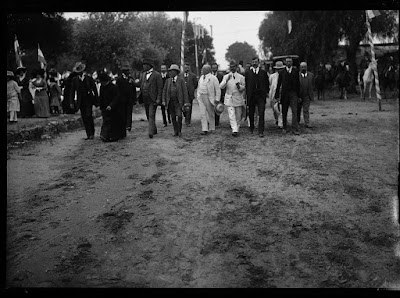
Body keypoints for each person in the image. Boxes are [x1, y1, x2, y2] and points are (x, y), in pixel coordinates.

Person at [70, 62, 99, 140]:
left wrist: (96, 99)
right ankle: (88, 134)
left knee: (89, 115)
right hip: (80, 101)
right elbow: (72, 91)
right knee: (84, 117)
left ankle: (91, 133)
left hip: (88, 99)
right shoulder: (75, 80)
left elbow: (94, 89)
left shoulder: (88, 78)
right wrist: (72, 102)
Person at [134, 59, 163, 139]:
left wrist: (158, 99)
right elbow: (139, 84)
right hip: (145, 98)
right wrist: (133, 83)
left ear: (149, 66)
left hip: (153, 98)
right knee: (148, 115)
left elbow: (160, 88)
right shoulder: (143, 75)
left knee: (151, 114)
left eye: (145, 65)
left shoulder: (157, 75)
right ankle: (154, 129)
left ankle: (150, 132)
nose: (143, 66)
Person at [162, 64, 189, 137]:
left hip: (178, 102)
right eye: (169, 71)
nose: (170, 73)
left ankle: (179, 130)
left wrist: (186, 102)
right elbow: (164, 91)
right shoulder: (168, 81)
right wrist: (164, 100)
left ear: (176, 72)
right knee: (173, 117)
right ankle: (175, 131)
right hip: (170, 102)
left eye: (171, 71)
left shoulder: (181, 80)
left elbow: (185, 91)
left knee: (179, 116)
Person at [219, 60, 245, 137]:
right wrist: (226, 81)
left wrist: (239, 86)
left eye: (234, 67)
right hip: (229, 98)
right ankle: (234, 130)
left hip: (238, 98)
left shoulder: (241, 77)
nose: (232, 68)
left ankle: (237, 127)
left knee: (238, 115)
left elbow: (243, 88)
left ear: (236, 67)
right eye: (231, 67)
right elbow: (221, 87)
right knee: (231, 114)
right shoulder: (226, 76)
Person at [245, 57, 269, 138]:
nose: (254, 63)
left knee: (261, 113)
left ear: (258, 63)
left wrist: (265, 93)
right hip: (251, 96)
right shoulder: (248, 73)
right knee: (251, 113)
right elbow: (246, 85)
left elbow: (266, 84)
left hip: (260, 96)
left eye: (256, 62)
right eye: (253, 62)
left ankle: (261, 130)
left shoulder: (263, 73)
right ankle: (251, 127)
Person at [275, 57, 301, 135]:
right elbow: (279, 84)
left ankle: (294, 128)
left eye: (290, 61)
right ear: (285, 63)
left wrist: (299, 95)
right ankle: (285, 127)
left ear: (292, 62)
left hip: (293, 93)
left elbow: (298, 84)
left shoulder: (296, 71)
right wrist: (277, 95)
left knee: (294, 111)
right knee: (284, 112)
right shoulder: (282, 72)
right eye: (287, 61)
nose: (288, 63)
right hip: (284, 94)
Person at [98, 70, 125, 142]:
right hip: (105, 107)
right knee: (106, 122)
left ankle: (114, 136)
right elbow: (101, 97)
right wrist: (101, 106)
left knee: (114, 122)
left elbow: (117, 97)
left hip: (114, 108)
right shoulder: (102, 87)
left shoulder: (113, 87)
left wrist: (111, 105)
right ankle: (104, 135)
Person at [196, 64, 221, 135]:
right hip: (201, 97)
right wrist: (198, 96)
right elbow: (199, 87)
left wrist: (217, 99)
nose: (201, 71)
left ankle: (212, 128)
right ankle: (204, 129)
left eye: (203, 69)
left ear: (207, 70)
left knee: (210, 113)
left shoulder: (213, 78)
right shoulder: (201, 78)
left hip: (209, 97)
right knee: (202, 114)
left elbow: (217, 89)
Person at [116, 63, 136, 133]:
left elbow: (134, 89)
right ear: (123, 72)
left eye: (128, 70)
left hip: (130, 99)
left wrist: (134, 98)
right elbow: (117, 90)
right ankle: (124, 125)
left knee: (129, 112)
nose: (128, 72)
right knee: (123, 112)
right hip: (122, 99)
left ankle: (128, 126)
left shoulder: (131, 79)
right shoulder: (119, 79)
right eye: (126, 71)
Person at [180, 62, 198, 127]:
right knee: (183, 107)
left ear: (189, 68)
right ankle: (185, 115)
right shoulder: (180, 75)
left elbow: (195, 84)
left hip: (189, 94)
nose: (186, 68)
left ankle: (188, 121)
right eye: (185, 67)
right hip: (182, 94)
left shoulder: (193, 76)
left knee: (189, 108)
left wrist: (192, 89)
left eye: (187, 67)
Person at [269, 61, 285, 128]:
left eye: (280, 69)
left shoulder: (284, 75)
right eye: (278, 69)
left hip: (281, 94)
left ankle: (281, 123)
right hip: (273, 94)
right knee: (275, 109)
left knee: (280, 109)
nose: (279, 70)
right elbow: (271, 85)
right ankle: (277, 119)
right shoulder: (272, 76)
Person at [298, 62, 314, 128]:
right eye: (302, 67)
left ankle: (307, 122)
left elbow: (313, 85)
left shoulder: (311, 75)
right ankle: (297, 122)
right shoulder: (297, 75)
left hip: (307, 95)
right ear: (300, 68)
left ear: (307, 67)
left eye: (305, 67)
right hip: (299, 96)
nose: (303, 68)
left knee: (306, 109)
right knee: (298, 110)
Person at [211, 62, 225, 127]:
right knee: (210, 108)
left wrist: (222, 95)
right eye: (213, 68)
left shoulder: (220, 76)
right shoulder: (209, 76)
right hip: (211, 94)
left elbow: (223, 86)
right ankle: (211, 121)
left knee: (217, 108)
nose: (214, 69)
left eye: (215, 68)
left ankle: (217, 122)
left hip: (218, 94)